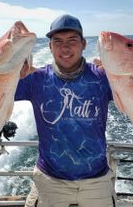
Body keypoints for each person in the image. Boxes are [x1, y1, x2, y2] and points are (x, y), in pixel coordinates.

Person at [15, 14, 115, 207]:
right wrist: (11, 73)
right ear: (49, 46)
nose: (65, 47)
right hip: (50, 182)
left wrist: (119, 73)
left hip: (97, 183)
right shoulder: (35, 78)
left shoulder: (103, 77)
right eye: (58, 41)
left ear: (84, 44)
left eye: (72, 40)